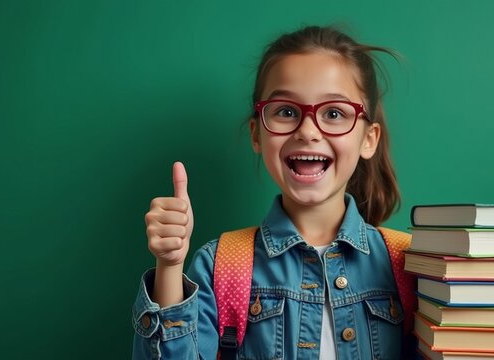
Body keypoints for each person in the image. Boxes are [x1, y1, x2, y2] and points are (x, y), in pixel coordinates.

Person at [132, 25, 414, 359]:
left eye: (334, 113)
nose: (307, 131)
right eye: (286, 111)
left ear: (368, 139)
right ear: (257, 134)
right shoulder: (220, 266)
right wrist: (169, 267)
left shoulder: (410, 265)